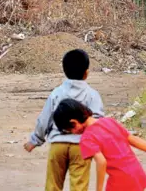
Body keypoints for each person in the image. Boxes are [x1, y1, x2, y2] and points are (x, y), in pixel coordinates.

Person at [23, 49, 104, 191]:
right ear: (86, 73)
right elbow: (97, 122)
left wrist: (35, 140)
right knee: (79, 186)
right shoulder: (92, 95)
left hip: (57, 145)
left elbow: (44, 120)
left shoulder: (56, 93)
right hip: (82, 147)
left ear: (64, 71)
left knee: (53, 185)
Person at [53, 98, 146, 191]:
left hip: (120, 180)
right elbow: (133, 139)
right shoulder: (109, 121)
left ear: (73, 122)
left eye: (70, 130)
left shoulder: (87, 138)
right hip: (136, 173)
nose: (74, 133)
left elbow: (101, 162)